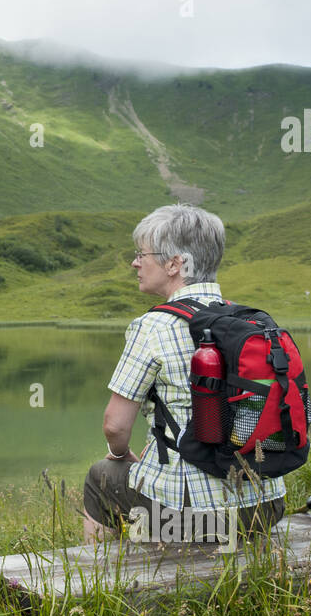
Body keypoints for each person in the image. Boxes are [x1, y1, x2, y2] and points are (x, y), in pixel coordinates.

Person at [83, 203, 285, 545]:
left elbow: (115, 425)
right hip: (265, 510)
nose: (135, 262)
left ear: (175, 263)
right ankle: (154, 545)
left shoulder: (153, 326)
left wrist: (120, 455)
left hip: (196, 521)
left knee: (101, 476)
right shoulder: (248, 322)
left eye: (142, 253)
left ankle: (98, 579)